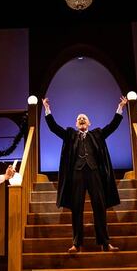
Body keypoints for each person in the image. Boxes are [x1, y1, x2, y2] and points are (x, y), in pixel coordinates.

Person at [42, 96, 127, 253]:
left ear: (89, 123)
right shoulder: (70, 134)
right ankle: (76, 243)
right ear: (76, 124)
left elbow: (112, 126)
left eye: (84, 118)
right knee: (77, 208)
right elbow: (54, 128)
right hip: (76, 175)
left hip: (95, 174)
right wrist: (47, 109)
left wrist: (120, 107)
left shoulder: (97, 134)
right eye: (79, 118)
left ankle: (105, 243)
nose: (81, 119)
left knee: (99, 208)